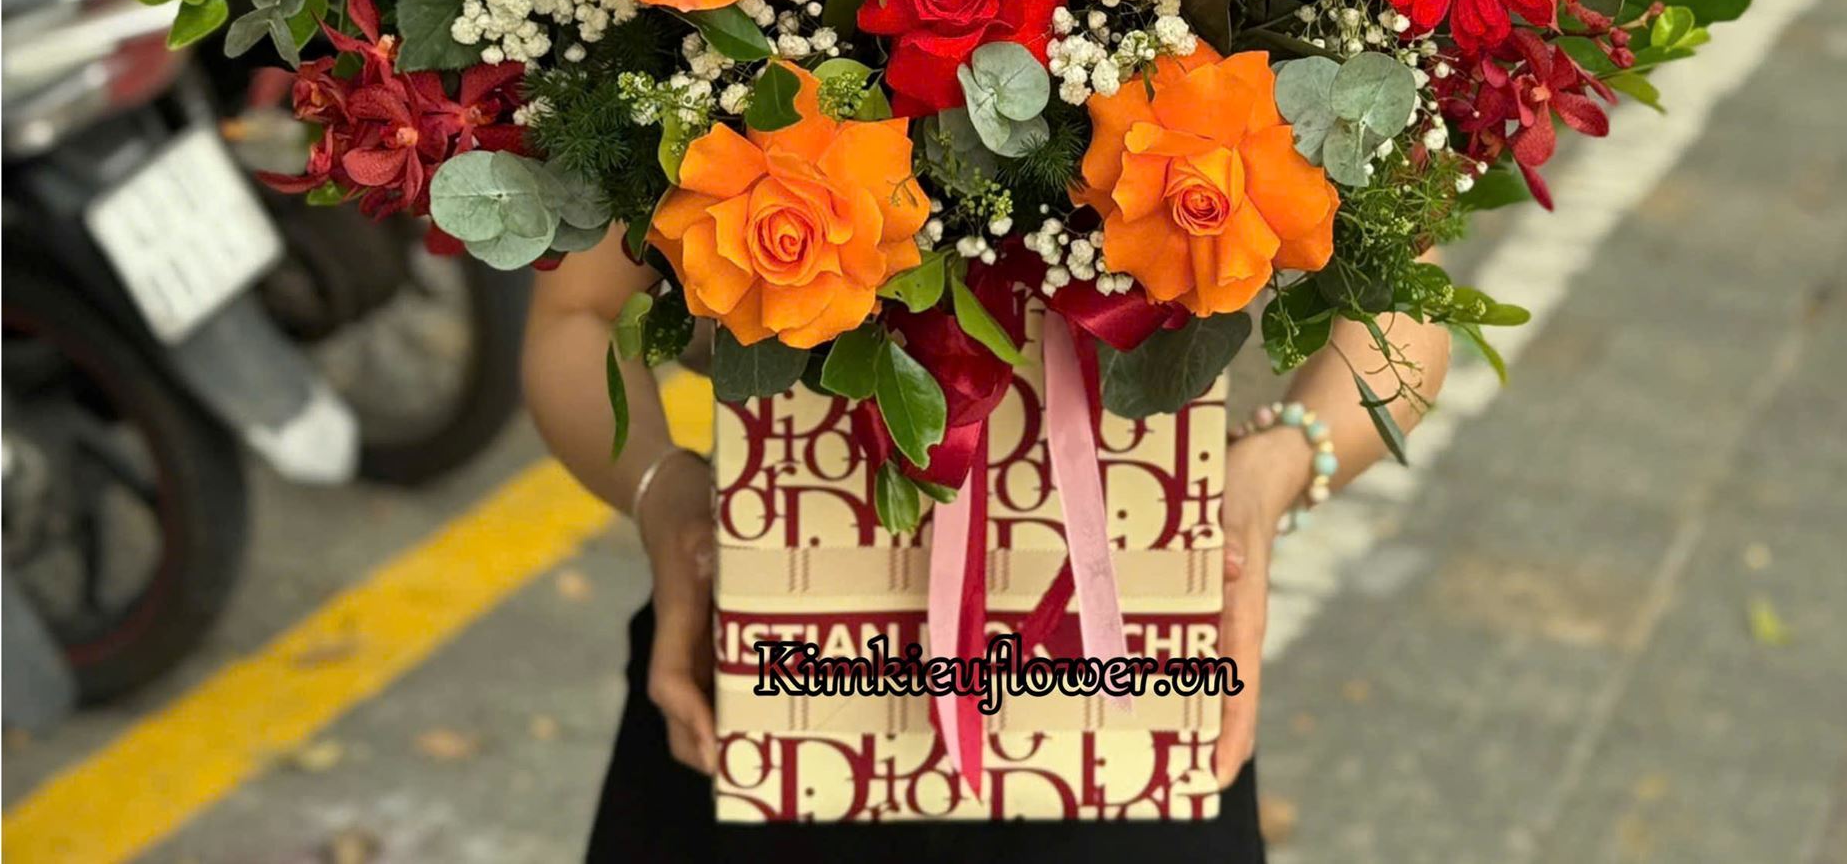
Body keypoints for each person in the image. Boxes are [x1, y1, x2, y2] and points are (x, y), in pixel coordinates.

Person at [526, 233, 1450, 862]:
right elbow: (577, 310)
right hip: (765, 674)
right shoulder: (699, 2)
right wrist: (667, 501)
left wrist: (1275, 471)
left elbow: (1408, 301)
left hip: (1134, 692)